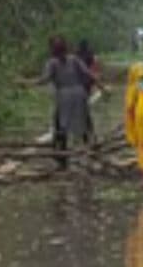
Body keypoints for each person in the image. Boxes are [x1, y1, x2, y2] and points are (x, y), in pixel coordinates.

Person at [37, 36, 100, 168]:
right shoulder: (74, 59)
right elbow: (88, 74)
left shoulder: (52, 63)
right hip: (79, 93)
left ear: (51, 49)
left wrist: (25, 83)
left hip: (64, 96)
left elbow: (44, 79)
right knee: (85, 121)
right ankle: (93, 149)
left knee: (60, 126)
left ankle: (62, 159)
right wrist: (102, 86)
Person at [76, 39, 101, 142]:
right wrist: (97, 80)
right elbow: (94, 67)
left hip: (78, 83)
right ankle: (89, 134)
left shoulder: (76, 55)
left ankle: (86, 135)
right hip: (87, 83)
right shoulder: (90, 54)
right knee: (84, 109)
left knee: (82, 110)